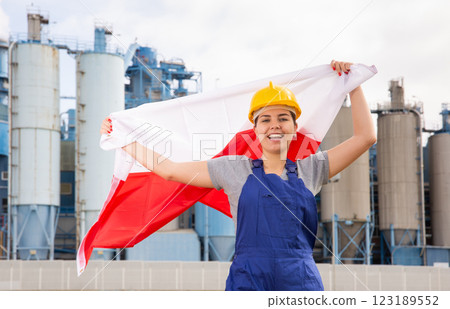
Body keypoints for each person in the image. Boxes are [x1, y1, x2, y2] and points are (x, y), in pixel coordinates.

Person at [100, 60, 376, 291]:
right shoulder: (233, 169)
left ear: (294, 127)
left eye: (283, 118)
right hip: (249, 280)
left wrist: (353, 84)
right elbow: (169, 169)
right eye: (265, 119)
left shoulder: (311, 169)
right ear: (255, 130)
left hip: (300, 281)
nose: (274, 125)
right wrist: (122, 138)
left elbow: (365, 137)